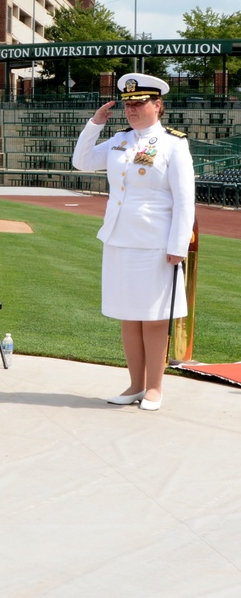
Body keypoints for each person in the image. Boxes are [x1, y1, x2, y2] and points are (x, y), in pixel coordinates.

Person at [72, 73, 194, 412]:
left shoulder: (173, 144)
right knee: (129, 315)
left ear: (158, 105)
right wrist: (94, 124)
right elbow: (81, 161)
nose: (132, 109)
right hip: (119, 238)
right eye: (128, 104)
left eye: (139, 103)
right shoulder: (118, 140)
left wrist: (177, 245)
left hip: (156, 243)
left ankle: (155, 387)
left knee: (154, 318)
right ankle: (134, 384)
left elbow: (185, 200)